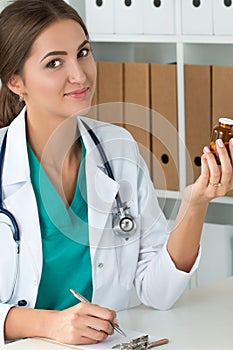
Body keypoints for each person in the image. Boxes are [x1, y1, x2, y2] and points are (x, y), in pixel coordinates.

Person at [0, 0, 233, 346]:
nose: (79, 75)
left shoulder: (118, 149)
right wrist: (49, 325)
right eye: (54, 63)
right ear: (16, 81)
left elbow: (157, 291)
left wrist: (195, 203)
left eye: (83, 53)